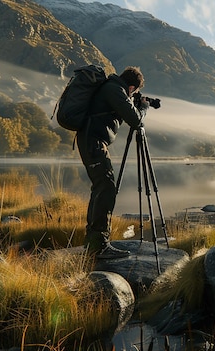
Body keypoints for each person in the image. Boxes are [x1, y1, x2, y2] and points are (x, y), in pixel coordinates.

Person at [77, 66, 149, 259]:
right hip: (93, 142)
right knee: (106, 188)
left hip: (92, 141)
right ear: (131, 87)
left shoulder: (112, 87)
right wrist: (142, 108)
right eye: (132, 92)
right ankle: (99, 245)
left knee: (102, 187)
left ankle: (94, 242)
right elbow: (135, 120)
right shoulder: (114, 90)